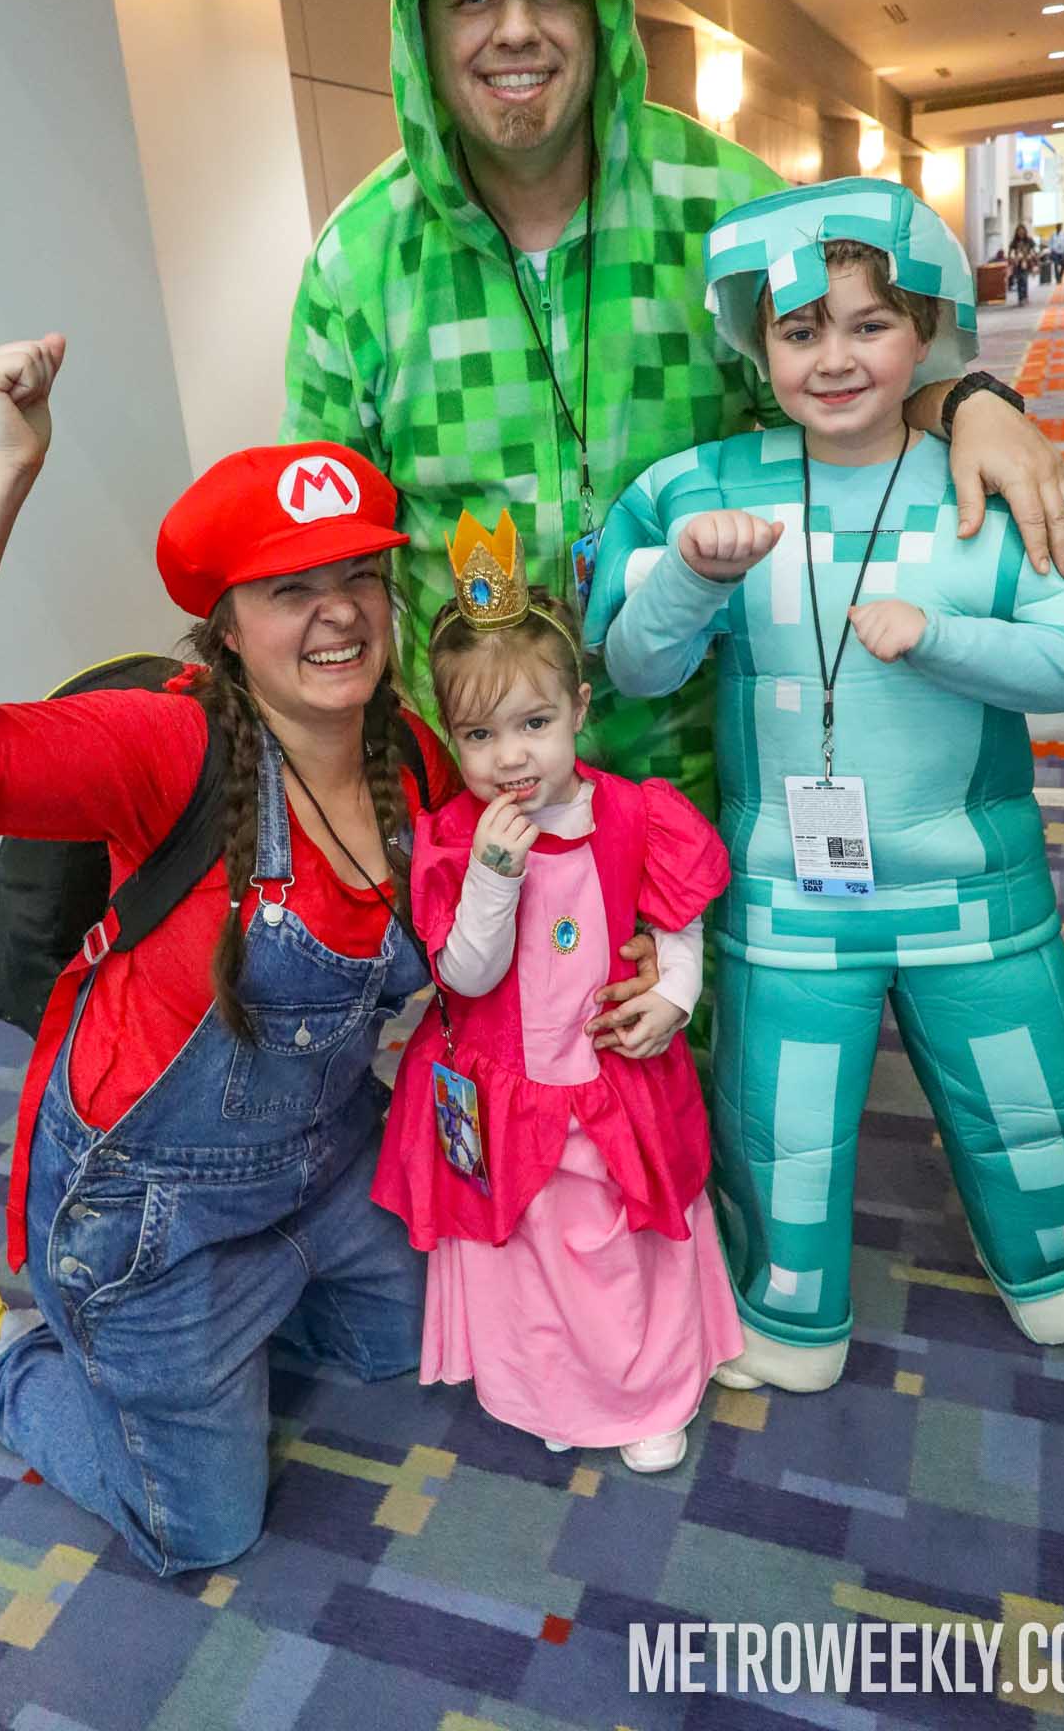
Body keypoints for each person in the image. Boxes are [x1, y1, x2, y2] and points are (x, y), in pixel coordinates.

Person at [283, 0, 1064, 818]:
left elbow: (858, 381)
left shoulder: (726, 207)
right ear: (419, 30)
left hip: (721, 773)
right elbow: (321, 546)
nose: (515, 30)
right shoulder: (361, 258)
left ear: (601, 13)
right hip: (481, 799)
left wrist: (972, 404)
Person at [0, 338, 468, 1573]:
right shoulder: (167, 746)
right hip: (152, 1213)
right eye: (289, 589)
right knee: (203, 1532)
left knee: (410, 1343)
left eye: (360, 575)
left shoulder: (410, 753)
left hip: (326, 1157)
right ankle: (6, 1355)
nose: (340, 610)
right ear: (224, 627)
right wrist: (5, 464)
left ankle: (222, 1343)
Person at [586, 179, 1064, 1392]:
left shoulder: (981, 482)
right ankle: (782, 1313)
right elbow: (633, 666)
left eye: (869, 323)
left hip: (976, 894)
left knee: (1033, 1102)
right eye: (801, 329)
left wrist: (940, 637)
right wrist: (690, 578)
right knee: (778, 1127)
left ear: (928, 328)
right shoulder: (706, 491)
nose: (835, 357)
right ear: (756, 341)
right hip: (788, 899)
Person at [372, 509, 739, 1468]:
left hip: (614, 1077)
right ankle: (551, 1392)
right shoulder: (457, 838)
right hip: (504, 1090)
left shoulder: (637, 813)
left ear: (578, 708)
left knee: (624, 1236)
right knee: (529, 1245)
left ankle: (647, 1391)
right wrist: (493, 877)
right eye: (479, 734)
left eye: (534, 724)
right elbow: (464, 975)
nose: (511, 757)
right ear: (451, 736)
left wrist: (674, 997)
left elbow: (676, 921)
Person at [1009, 223, 1037, 304]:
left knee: (1024, 279)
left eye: (1022, 231)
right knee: (1019, 280)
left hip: (1026, 262)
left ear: (1025, 232)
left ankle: (1024, 296)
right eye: (1019, 231)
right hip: (1017, 263)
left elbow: (1033, 250)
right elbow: (1011, 252)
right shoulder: (1014, 242)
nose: (1021, 233)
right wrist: (1013, 258)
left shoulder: (1029, 240)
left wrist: (1031, 256)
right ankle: (1020, 298)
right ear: (1017, 232)